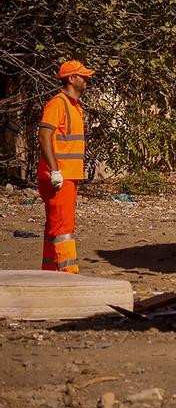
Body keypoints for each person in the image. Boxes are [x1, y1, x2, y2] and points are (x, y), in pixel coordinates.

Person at [37, 60, 95, 273]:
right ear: (71, 79)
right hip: (59, 177)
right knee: (63, 229)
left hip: (66, 176)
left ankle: (50, 273)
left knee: (55, 227)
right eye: (83, 76)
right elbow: (44, 136)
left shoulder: (74, 105)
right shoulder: (58, 104)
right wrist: (54, 170)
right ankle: (68, 276)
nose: (87, 79)